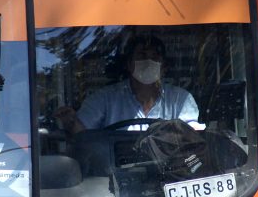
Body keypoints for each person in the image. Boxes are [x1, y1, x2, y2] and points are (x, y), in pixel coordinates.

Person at [55, 33, 199, 133]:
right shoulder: (105, 99)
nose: (149, 62)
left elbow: (192, 139)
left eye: (155, 57)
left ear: (164, 67)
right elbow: (83, 136)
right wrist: (71, 122)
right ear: (129, 64)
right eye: (142, 55)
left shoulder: (181, 100)